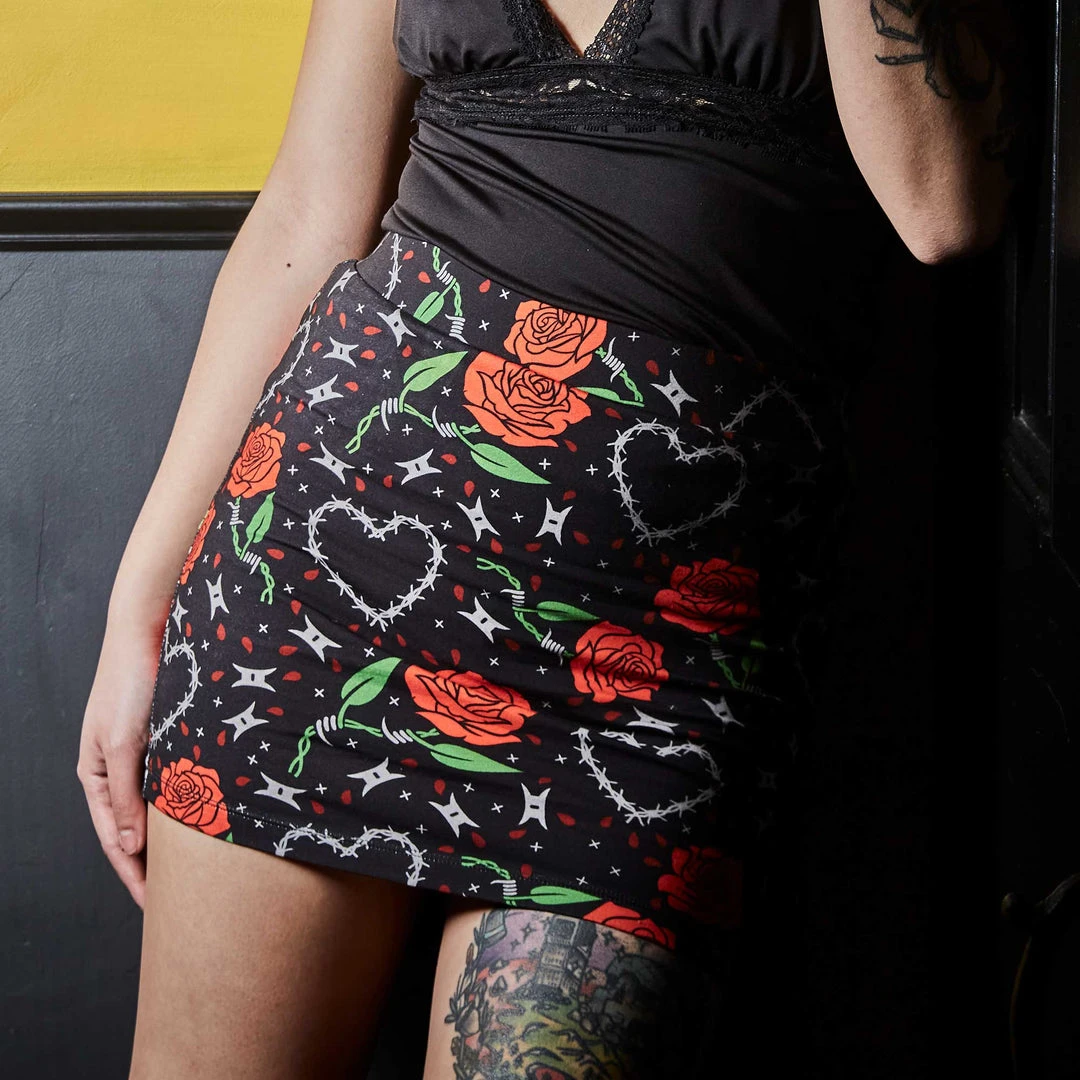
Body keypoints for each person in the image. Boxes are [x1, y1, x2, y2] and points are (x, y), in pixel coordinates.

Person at [77, 1, 1021, 1077]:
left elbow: (946, 208)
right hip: (310, 597)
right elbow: (307, 215)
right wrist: (137, 605)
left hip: (649, 680)